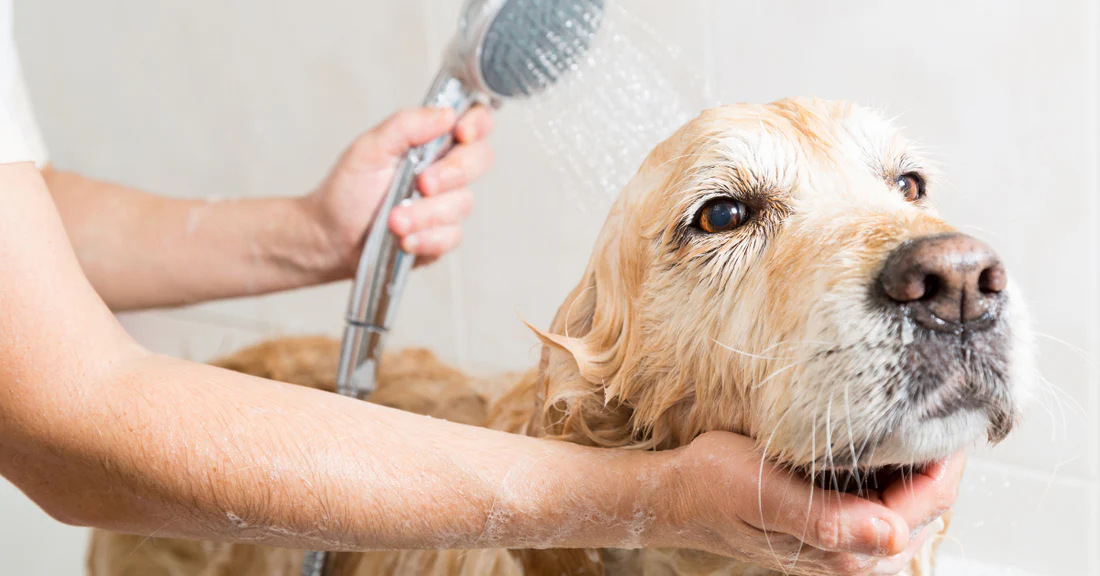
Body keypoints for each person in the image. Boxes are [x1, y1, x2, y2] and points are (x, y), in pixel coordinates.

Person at [0, 4, 959, 575]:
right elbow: (62, 422)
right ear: (606, 400)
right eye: (725, 215)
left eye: (905, 185)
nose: (938, 261)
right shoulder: (599, 470)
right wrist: (639, 499)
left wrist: (303, 238)